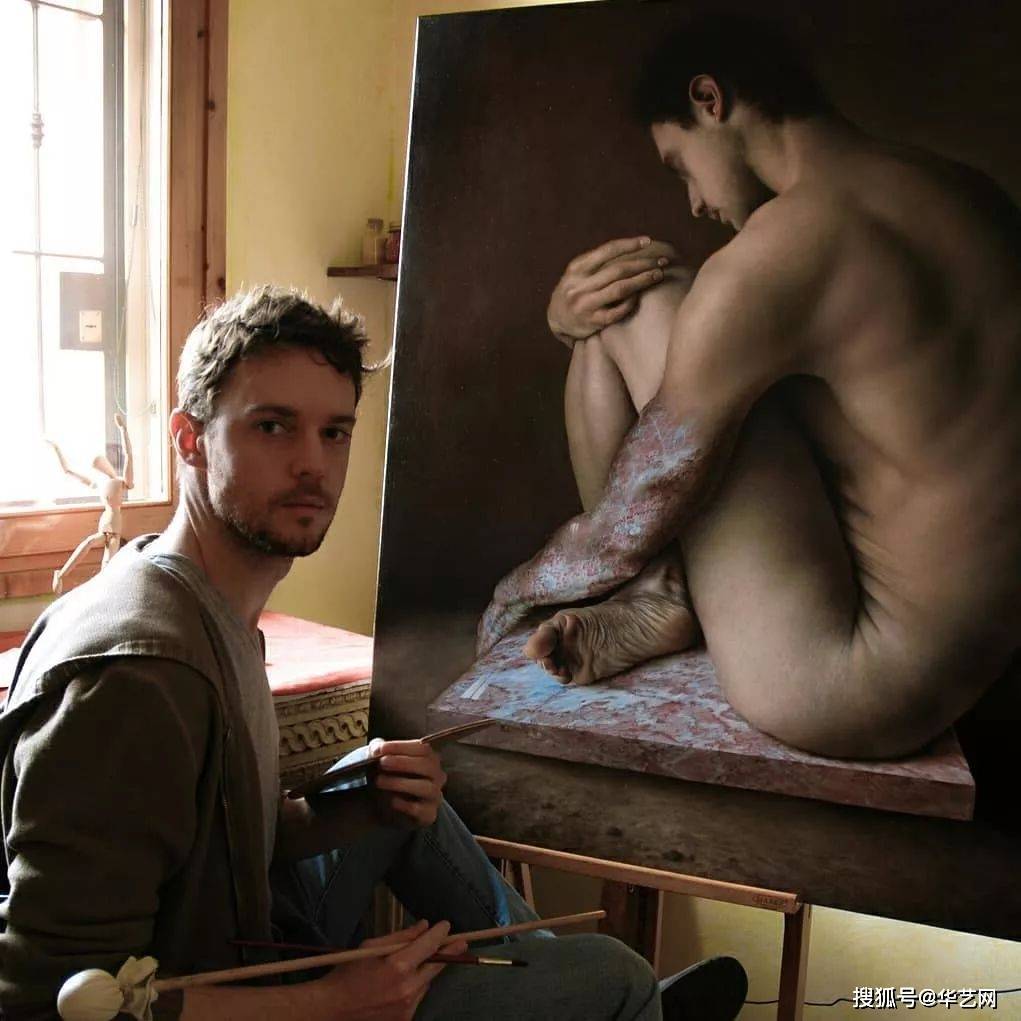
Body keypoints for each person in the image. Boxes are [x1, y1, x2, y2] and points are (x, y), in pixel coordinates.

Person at [0, 286, 747, 1020]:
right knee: (615, 972)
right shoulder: (139, 678)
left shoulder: (204, 599)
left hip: (245, 931)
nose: (312, 464)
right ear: (189, 439)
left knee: (392, 790)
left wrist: (352, 810)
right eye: (272, 426)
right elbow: (46, 1001)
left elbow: (230, 841)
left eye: (334, 432)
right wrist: (336, 1002)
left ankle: (584, 991)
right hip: (231, 988)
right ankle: (620, 1001)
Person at [478, 15, 1021, 761]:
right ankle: (665, 597)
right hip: (968, 674)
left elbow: (632, 515)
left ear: (709, 100)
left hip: (839, 684)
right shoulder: (970, 195)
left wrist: (510, 597)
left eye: (679, 166)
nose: (694, 202)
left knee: (635, 296)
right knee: (714, 357)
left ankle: (659, 594)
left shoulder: (780, 255)